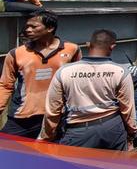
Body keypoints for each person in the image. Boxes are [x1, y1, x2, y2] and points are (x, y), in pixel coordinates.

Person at [39, 30, 137, 151]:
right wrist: (132, 132)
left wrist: (47, 136)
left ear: (88, 44)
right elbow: (127, 108)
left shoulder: (64, 71)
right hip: (112, 128)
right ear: (113, 47)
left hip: (78, 131)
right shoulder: (120, 71)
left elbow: (53, 110)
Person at [0, 10, 81, 138]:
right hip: (23, 117)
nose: (28, 30)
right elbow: (5, 85)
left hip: (58, 115)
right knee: (5, 148)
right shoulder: (16, 54)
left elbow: (77, 81)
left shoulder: (71, 50)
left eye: (34, 26)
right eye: (27, 26)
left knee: (53, 154)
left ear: (50, 28)